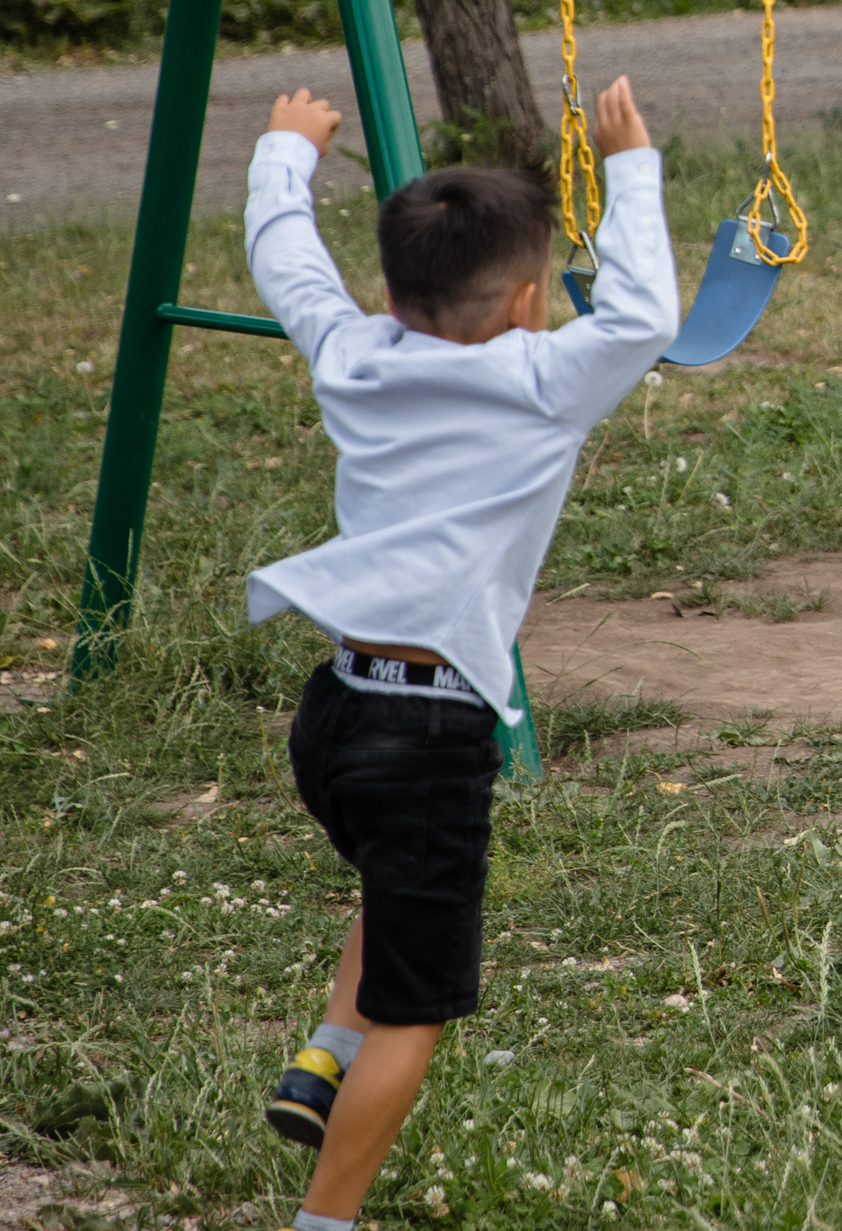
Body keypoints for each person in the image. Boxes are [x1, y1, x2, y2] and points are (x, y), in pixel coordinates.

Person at [247, 78, 678, 1231]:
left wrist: (285, 152)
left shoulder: (352, 355)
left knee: (396, 888)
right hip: (429, 731)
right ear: (532, 301)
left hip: (333, 715)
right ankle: (324, 1221)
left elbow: (285, 261)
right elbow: (642, 320)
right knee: (418, 1005)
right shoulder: (542, 381)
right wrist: (628, 161)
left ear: (387, 292)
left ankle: (322, 1055)